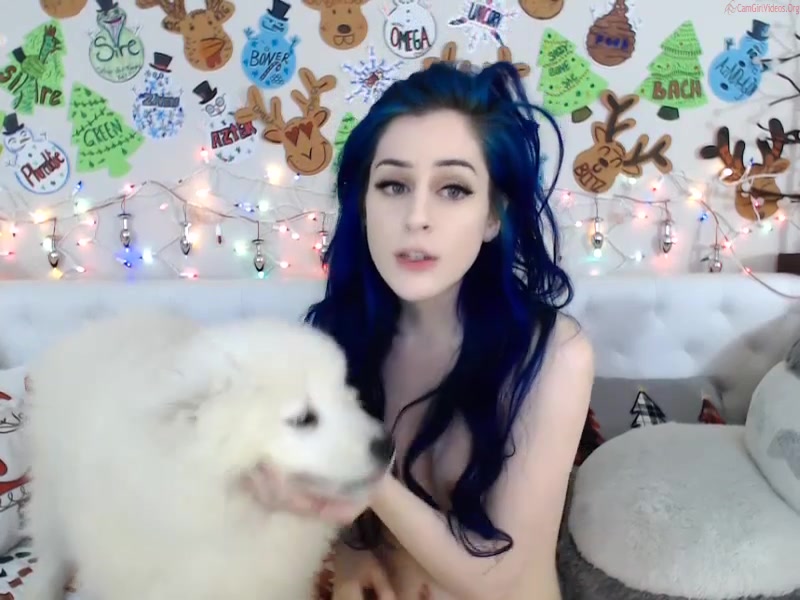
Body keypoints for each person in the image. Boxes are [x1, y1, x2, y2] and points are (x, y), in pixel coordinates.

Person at [304, 58, 595, 600]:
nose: (416, 216)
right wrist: (348, 549)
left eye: (454, 189)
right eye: (393, 185)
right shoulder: (336, 338)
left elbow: (498, 576)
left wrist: (362, 467)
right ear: (363, 206)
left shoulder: (553, 353)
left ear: (493, 216)